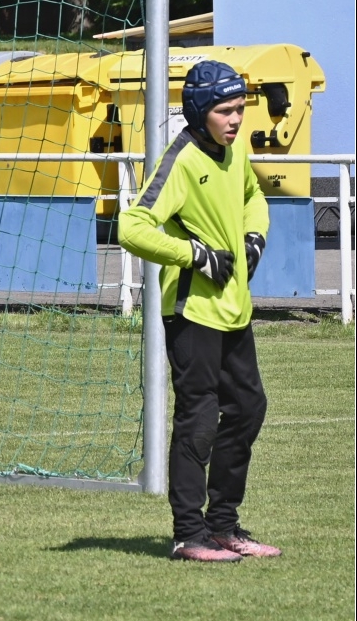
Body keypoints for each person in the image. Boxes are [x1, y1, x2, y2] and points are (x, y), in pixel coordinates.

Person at [117, 59, 281, 563]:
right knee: (200, 418)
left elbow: (254, 196)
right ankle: (189, 534)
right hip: (191, 313)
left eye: (240, 109)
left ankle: (224, 525)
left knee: (248, 408)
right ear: (198, 112)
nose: (236, 119)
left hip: (234, 309)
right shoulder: (182, 160)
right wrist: (193, 254)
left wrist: (254, 236)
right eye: (225, 111)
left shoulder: (235, 153)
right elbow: (131, 227)